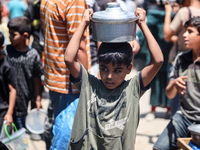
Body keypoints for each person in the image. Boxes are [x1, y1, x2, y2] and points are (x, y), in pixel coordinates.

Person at [64, 7, 163, 149]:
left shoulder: (133, 89)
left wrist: (142, 25)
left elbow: (158, 61)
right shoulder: (89, 85)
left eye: (117, 71)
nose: (109, 76)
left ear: (129, 69)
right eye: (104, 69)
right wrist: (84, 24)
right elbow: (69, 59)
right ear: (99, 65)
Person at [40, 0, 91, 149]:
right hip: (70, 81)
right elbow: (79, 46)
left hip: (55, 75)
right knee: (67, 135)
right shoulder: (74, 2)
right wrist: (86, 85)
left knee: (59, 127)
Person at [153, 16, 200, 150]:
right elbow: (169, 94)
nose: (184, 35)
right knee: (158, 148)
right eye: (185, 31)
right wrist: (174, 84)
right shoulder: (181, 58)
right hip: (184, 117)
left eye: (190, 32)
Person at [3, 16, 43, 130]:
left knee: (20, 135)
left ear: (25, 35)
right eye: (9, 34)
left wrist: (38, 98)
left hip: (22, 103)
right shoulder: (6, 51)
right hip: (6, 103)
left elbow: (37, 78)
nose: (10, 37)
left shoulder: (33, 55)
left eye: (13, 35)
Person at [0, 31, 16, 134]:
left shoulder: (7, 66)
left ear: (1, 47)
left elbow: (12, 90)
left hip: (2, 112)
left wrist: (9, 113)